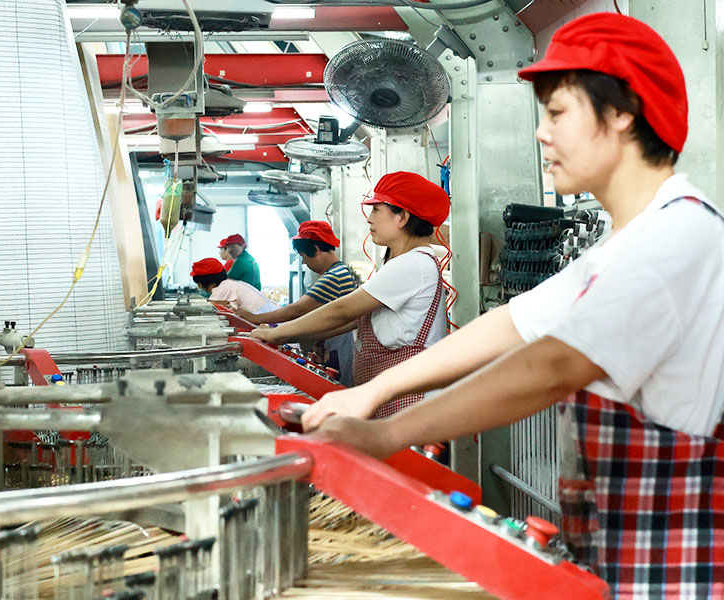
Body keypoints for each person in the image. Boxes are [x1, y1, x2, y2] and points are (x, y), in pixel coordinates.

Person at [301, 13, 724, 600]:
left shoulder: (676, 240)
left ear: (622, 113)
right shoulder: (625, 245)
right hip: (621, 548)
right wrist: (369, 394)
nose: (541, 134)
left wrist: (388, 432)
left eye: (557, 113)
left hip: (673, 566)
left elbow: (553, 363)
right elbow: (509, 324)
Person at [251, 171, 449, 417]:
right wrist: (288, 335)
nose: (369, 219)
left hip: (410, 400)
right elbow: (353, 319)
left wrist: (277, 333)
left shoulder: (412, 264)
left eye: (376, 210)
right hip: (396, 396)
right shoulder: (407, 263)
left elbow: (342, 310)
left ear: (402, 217)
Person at [239, 220, 358, 385]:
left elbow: (296, 310)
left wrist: (255, 318)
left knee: (339, 389)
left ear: (316, 249)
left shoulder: (334, 276)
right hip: (334, 347)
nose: (304, 262)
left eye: (303, 256)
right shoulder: (340, 271)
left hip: (339, 350)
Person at [190, 258, 276, 314]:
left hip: (268, 318)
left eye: (200, 284)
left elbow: (210, 309)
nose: (200, 288)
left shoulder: (223, 289)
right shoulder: (228, 284)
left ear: (210, 282)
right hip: (269, 313)